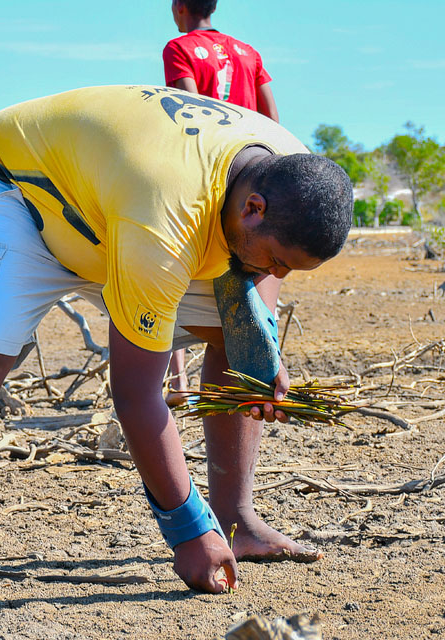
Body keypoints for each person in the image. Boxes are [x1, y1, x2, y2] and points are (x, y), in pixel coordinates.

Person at [0, 85, 352, 606]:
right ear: (252, 208)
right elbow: (137, 396)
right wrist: (186, 530)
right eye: (276, 260)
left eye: (289, 269)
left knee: (239, 344)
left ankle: (236, 520)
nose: (276, 275)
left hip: (111, 204)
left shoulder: (285, 172)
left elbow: (254, 304)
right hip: (16, 191)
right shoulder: (164, 219)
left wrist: (260, 348)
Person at [163, 0, 280, 406]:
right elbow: (272, 119)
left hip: (212, 176)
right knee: (255, 278)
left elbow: (195, 115)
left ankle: (178, 384)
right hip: (256, 181)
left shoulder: (179, 49)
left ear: (179, 7)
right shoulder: (249, 53)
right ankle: (260, 374)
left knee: (168, 276)